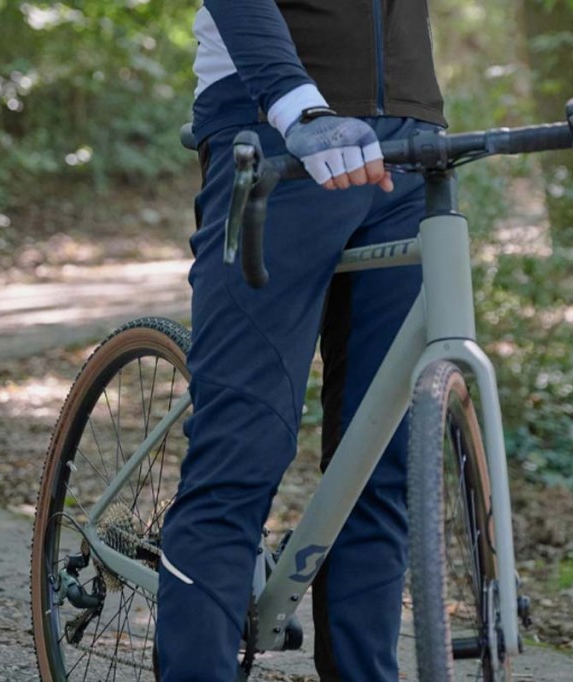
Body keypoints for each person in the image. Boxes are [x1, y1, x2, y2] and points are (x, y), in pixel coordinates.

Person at [156, 2, 446, 680]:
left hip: (409, 142)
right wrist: (299, 107)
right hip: (276, 132)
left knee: (380, 463)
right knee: (242, 450)